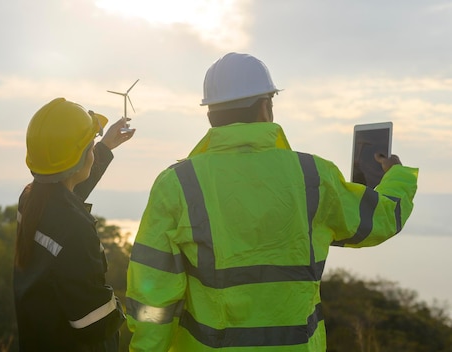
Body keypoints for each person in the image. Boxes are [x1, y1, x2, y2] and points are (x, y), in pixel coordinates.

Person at [125, 53, 418, 351]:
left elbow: (152, 294)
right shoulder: (313, 175)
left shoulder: (176, 183)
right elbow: (382, 218)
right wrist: (397, 177)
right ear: (266, 106)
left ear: (210, 112)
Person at [14, 97, 134, 351]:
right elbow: (94, 322)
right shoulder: (75, 230)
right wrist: (126, 309)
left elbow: (66, 192)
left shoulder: (30, 200)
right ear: (78, 160)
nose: (93, 153)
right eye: (90, 148)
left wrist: (105, 146)